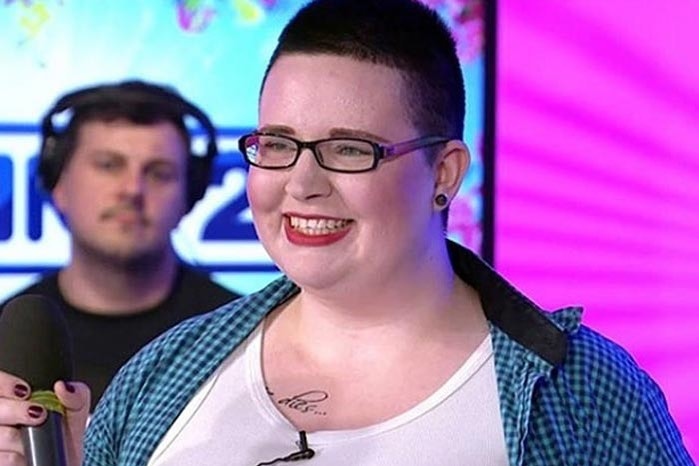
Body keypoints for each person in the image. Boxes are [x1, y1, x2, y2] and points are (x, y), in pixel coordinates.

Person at [0, 1, 694, 465]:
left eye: (349, 149)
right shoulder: (160, 375)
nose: (302, 183)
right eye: (278, 144)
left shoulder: (580, 393)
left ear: (443, 172)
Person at [0, 80, 240, 411]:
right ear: (58, 184)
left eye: (159, 173)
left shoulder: (245, 337)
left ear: (190, 194)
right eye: (109, 165)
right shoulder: (7, 340)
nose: (132, 189)